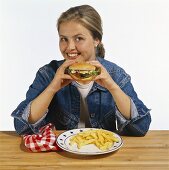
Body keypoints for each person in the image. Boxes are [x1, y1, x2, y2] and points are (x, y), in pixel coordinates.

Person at [11, 4, 151, 136]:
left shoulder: (115, 74)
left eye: (79, 38)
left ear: (96, 40)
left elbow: (141, 127)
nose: (70, 47)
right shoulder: (48, 73)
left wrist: (112, 87)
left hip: (102, 154)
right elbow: (22, 127)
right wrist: (52, 88)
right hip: (60, 156)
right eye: (64, 39)